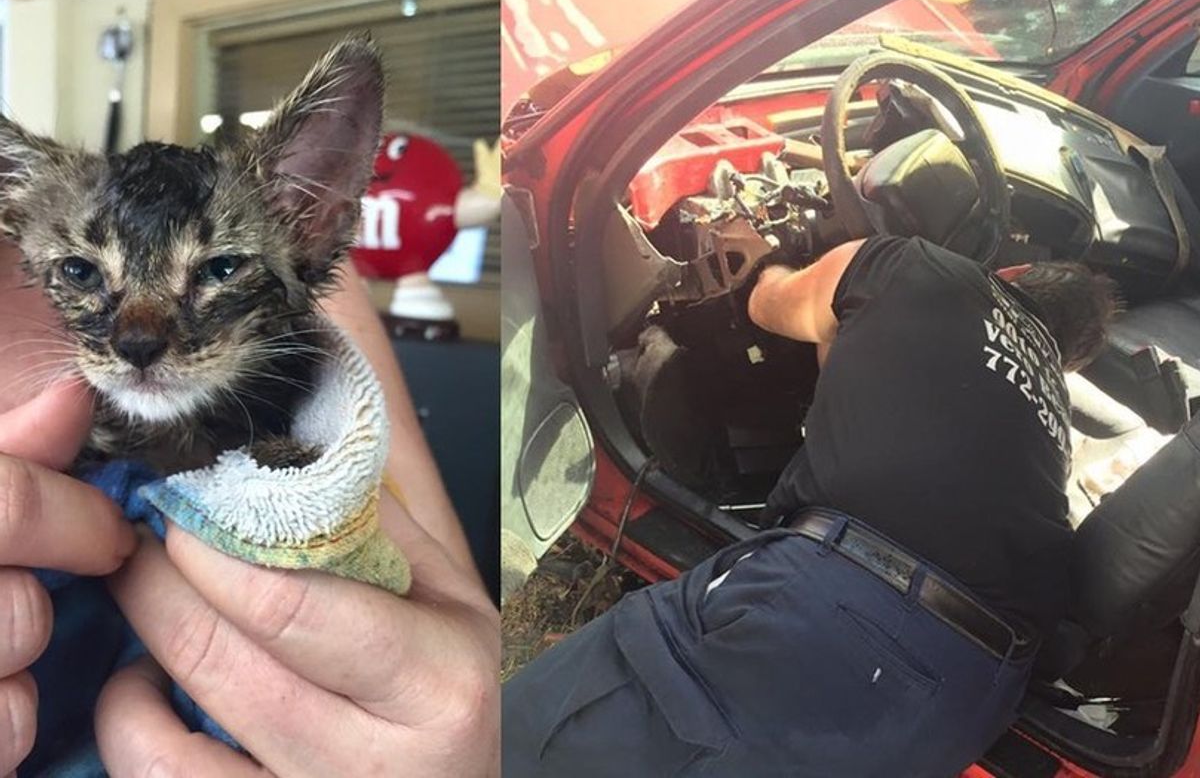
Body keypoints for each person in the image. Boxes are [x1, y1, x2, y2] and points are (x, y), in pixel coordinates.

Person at [503, 234, 1118, 777]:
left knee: (539, 748)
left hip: (835, 611)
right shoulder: (1052, 425)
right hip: (962, 708)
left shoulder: (914, 263)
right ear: (1064, 362)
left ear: (1009, 274)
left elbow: (768, 305)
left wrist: (771, 258)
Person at [0, 243, 500, 776]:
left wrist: (472, 736)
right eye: (80, 273)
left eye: (217, 269)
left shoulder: (275, 254)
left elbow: (439, 603)